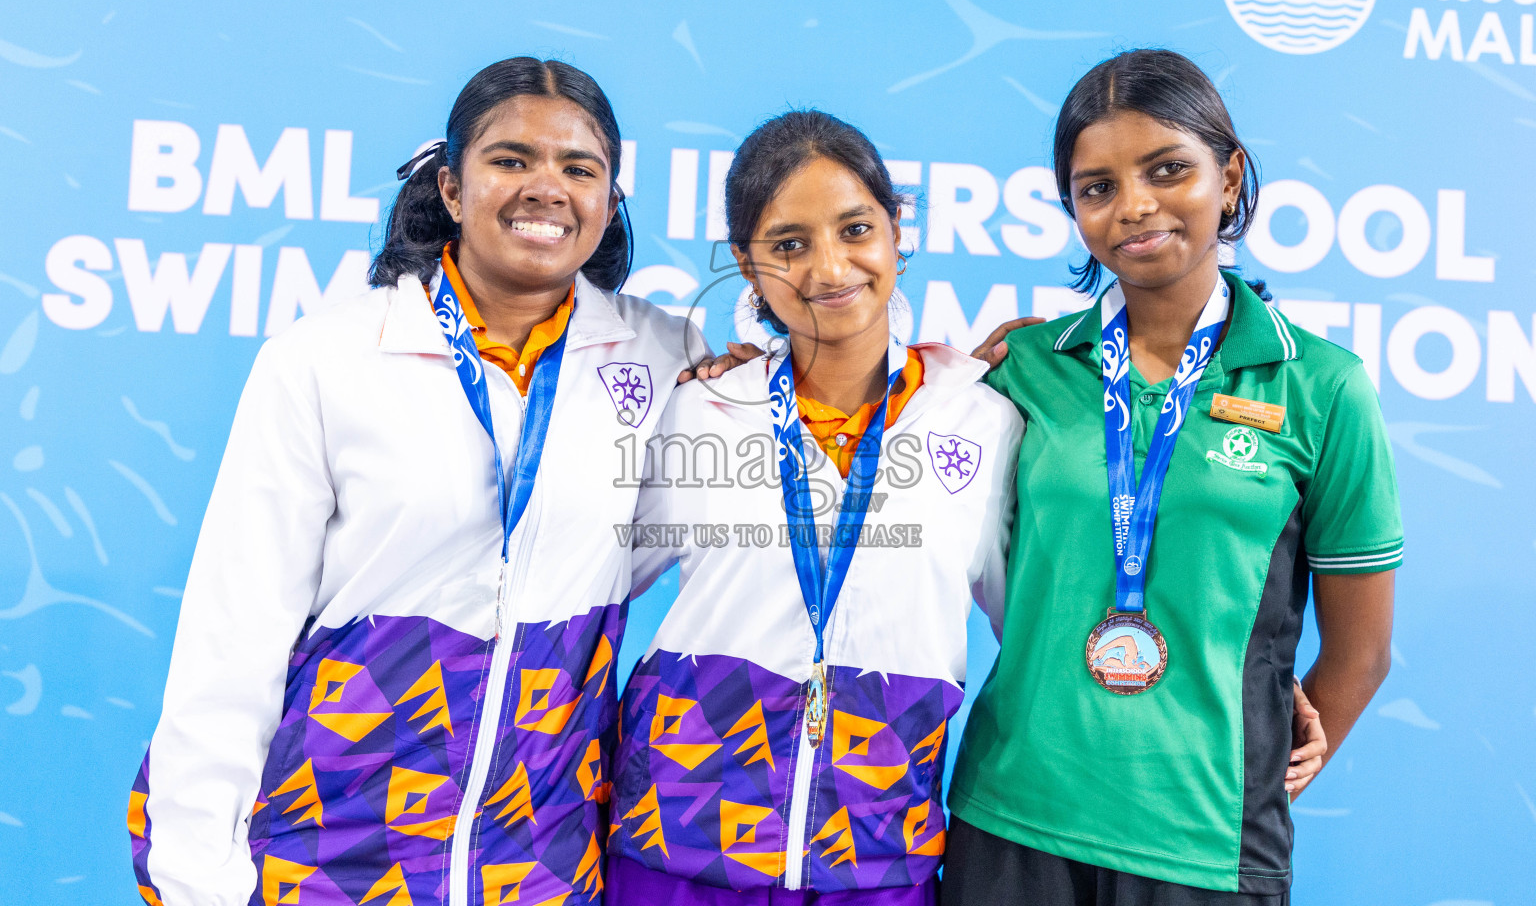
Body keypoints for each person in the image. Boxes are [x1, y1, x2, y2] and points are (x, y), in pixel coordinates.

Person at [128, 57, 743, 906]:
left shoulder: (666, 356)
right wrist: (198, 876)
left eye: (580, 168)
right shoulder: (330, 357)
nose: (547, 188)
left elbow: (703, 514)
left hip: (541, 865)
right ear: (452, 187)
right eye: (511, 160)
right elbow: (234, 633)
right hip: (328, 851)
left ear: (610, 199)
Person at [943, 49, 1399, 905]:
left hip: (1205, 844)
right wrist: (745, 363)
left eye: (1167, 170)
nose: (1134, 207)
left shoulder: (1322, 388)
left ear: (1228, 178)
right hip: (1011, 819)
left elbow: (1362, 651)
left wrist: (1270, 769)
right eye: (1097, 186)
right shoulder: (1023, 367)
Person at [603, 110, 1024, 904]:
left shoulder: (984, 420)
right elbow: (584, 579)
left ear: (897, 231)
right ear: (747, 264)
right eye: (788, 245)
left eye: (856, 228)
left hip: (876, 862)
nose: (829, 268)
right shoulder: (699, 409)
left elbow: (1033, 628)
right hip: (674, 851)